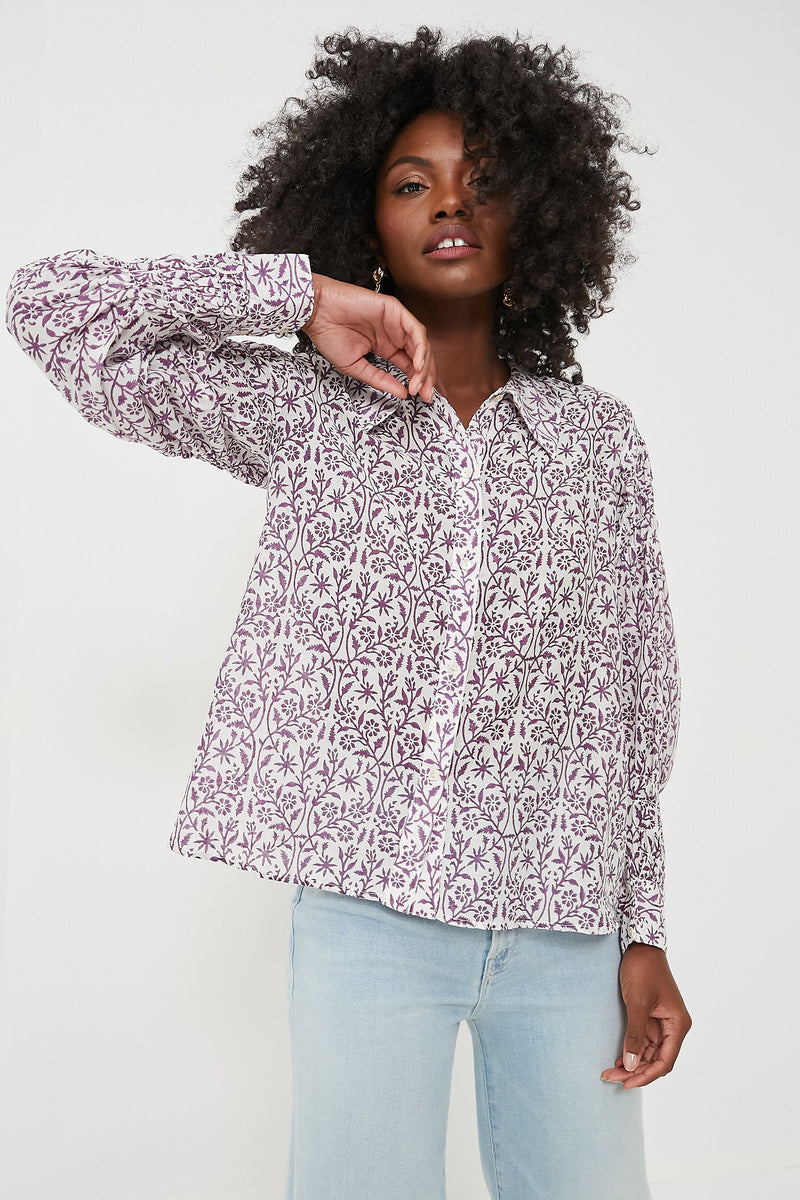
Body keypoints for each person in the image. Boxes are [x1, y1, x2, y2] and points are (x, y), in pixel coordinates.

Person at [5, 25, 692, 1200]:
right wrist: (299, 293)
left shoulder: (597, 443)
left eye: (481, 179)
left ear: (537, 212)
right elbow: (48, 307)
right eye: (409, 184)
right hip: (370, 924)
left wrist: (643, 932)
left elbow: (635, 701)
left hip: (566, 930)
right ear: (364, 223)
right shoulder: (304, 411)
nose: (448, 203)